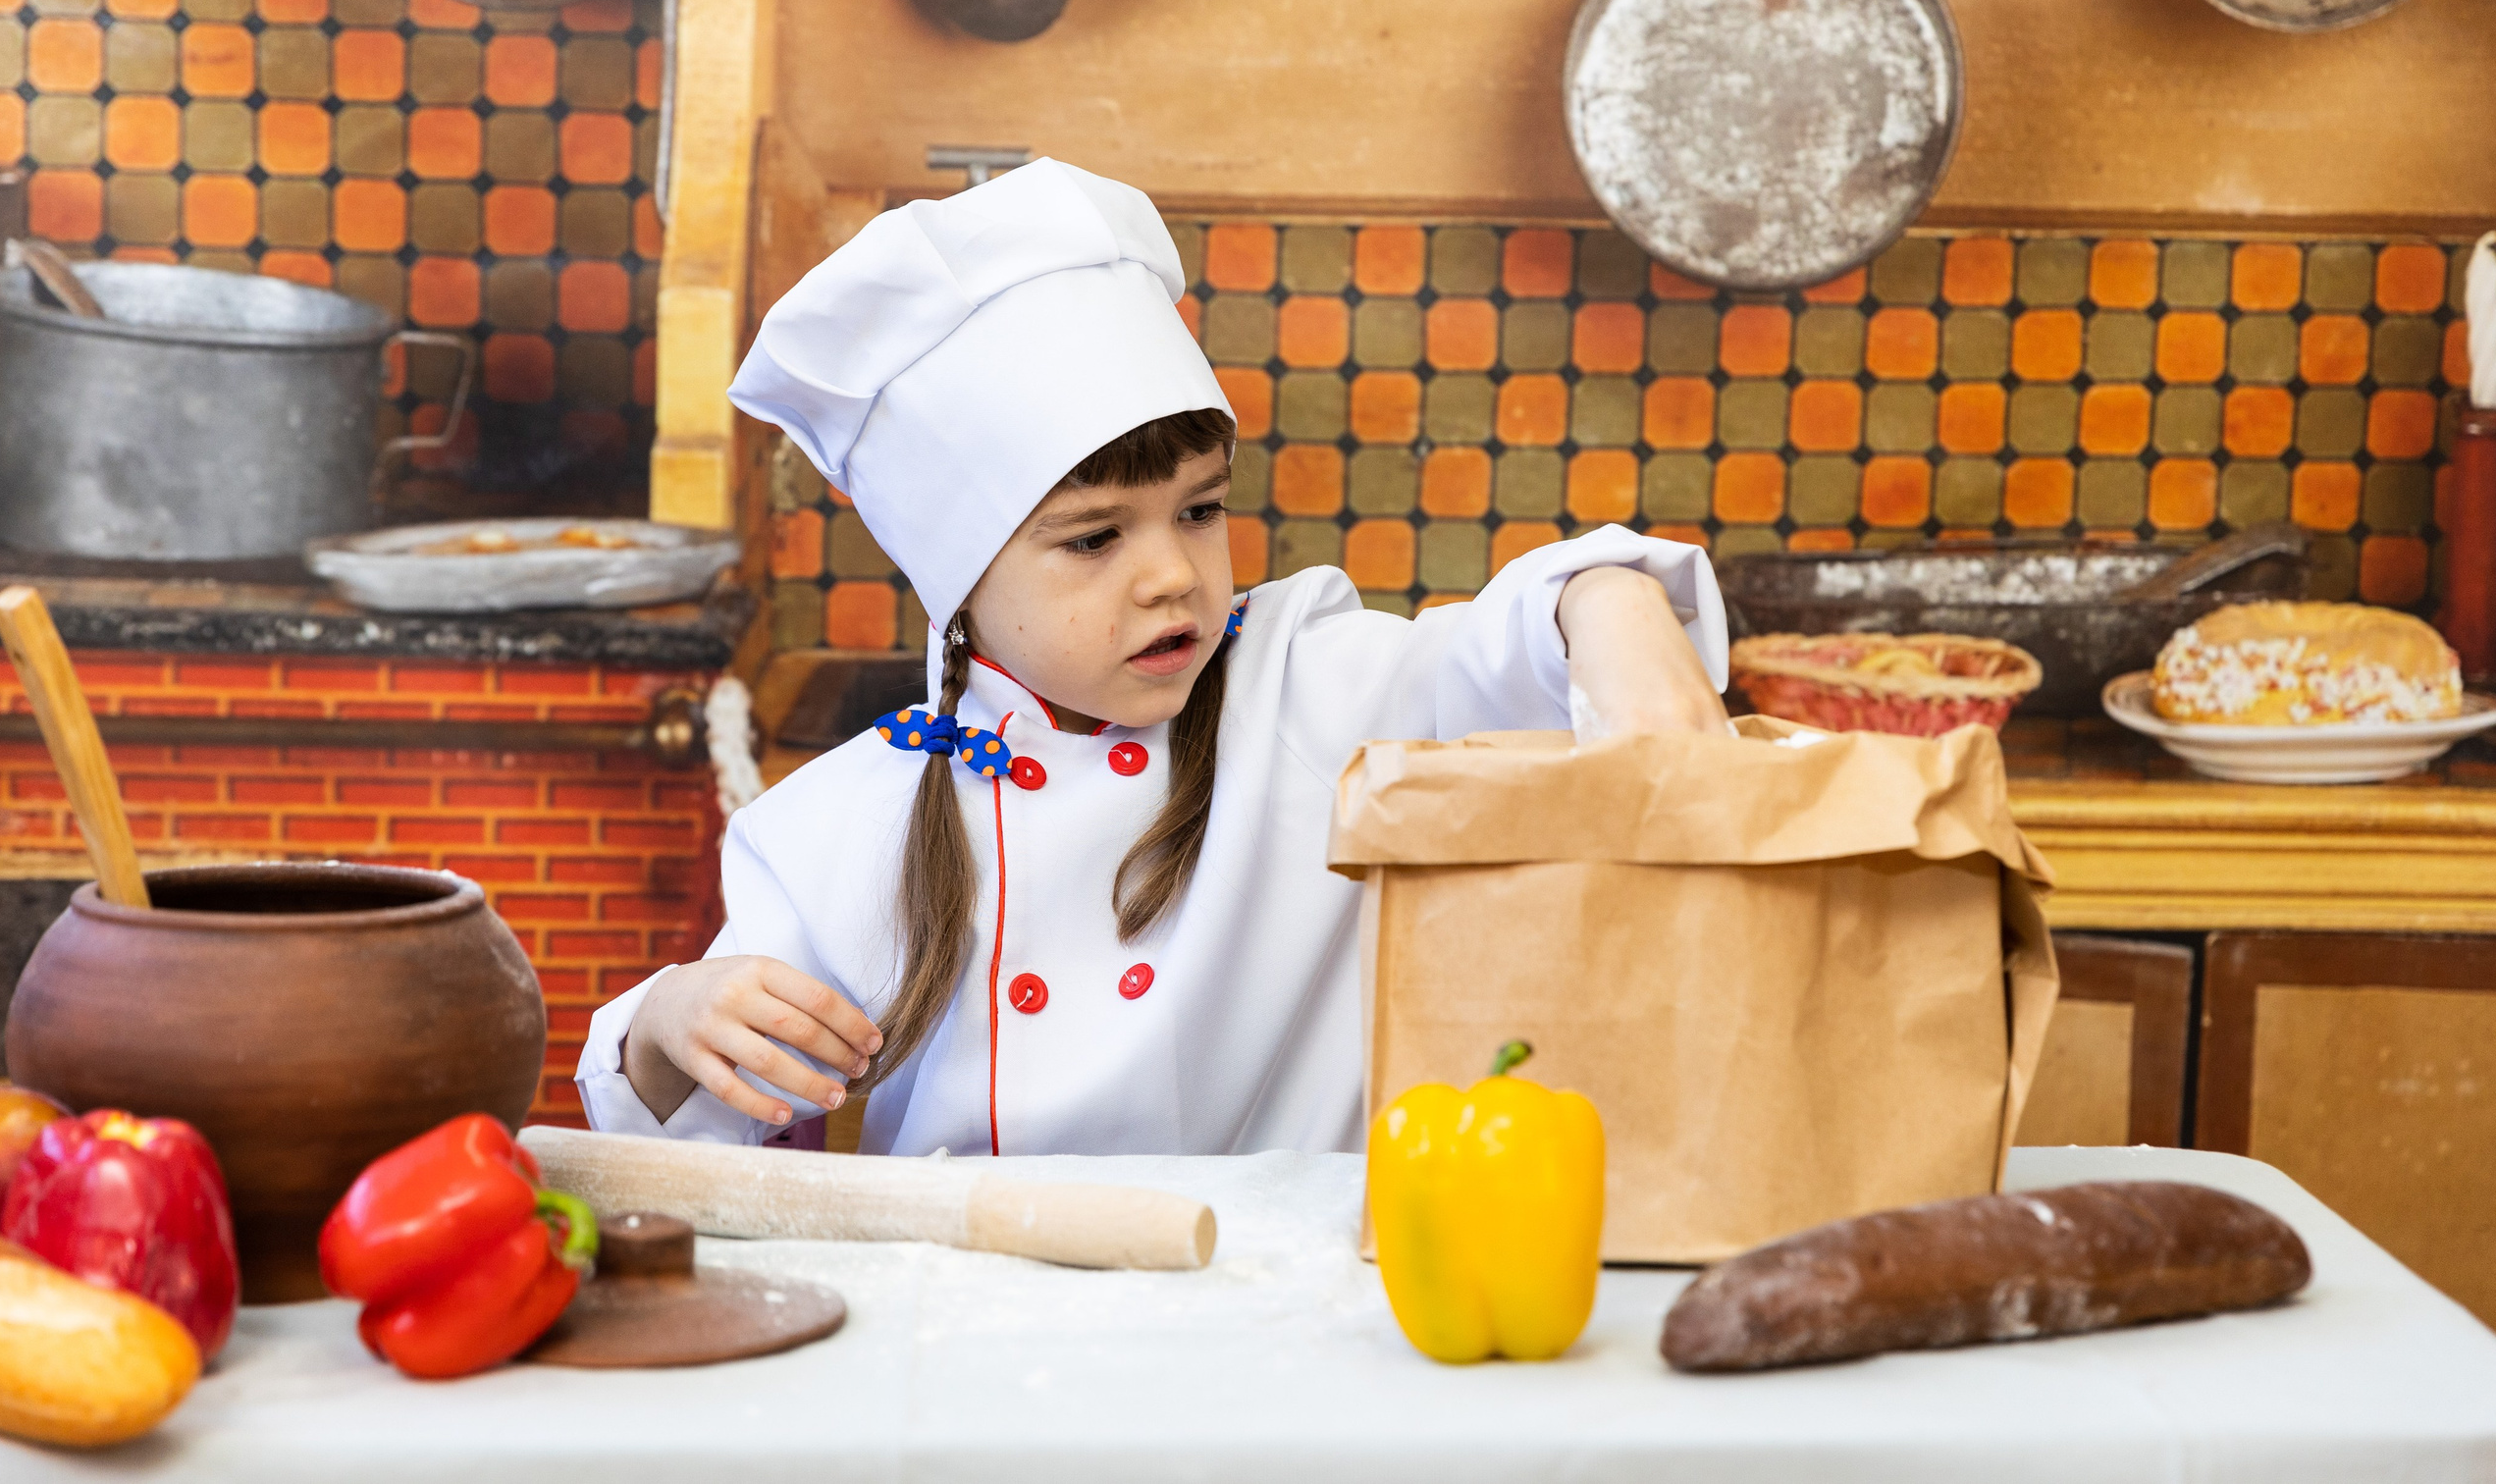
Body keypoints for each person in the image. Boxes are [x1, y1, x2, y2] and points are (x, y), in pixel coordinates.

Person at [575, 158, 1729, 1156]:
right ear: (958, 576)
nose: (1172, 573)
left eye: (1197, 512)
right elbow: (689, 1126)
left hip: (1294, 1334)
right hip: (976, 1351)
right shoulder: (835, 829)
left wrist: (1609, 599)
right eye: (1094, 539)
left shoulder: (1312, 691)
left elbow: (1500, 651)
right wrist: (678, 1017)